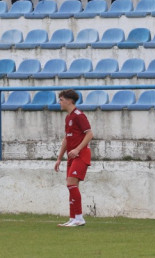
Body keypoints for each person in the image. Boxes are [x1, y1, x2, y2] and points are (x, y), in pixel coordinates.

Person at [54, 89, 93, 228]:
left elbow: (89, 134)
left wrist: (77, 149)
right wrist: (59, 158)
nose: (60, 102)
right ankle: (73, 218)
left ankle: (79, 218)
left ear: (70, 101)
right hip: (71, 156)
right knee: (71, 186)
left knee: (71, 184)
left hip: (81, 155)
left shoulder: (79, 116)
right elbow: (66, 138)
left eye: (62, 99)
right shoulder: (68, 117)